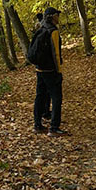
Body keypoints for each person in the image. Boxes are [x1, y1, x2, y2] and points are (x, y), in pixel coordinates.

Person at [32, 7, 67, 136]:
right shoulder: (53, 31)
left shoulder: (40, 29)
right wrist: (59, 71)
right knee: (57, 97)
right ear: (52, 17)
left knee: (39, 96)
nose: (58, 17)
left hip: (39, 69)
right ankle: (54, 128)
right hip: (51, 70)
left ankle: (37, 125)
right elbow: (56, 53)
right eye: (57, 15)